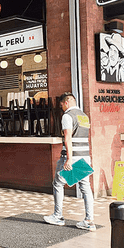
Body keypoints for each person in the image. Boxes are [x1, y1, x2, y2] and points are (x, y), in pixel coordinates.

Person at [44, 92, 95, 231]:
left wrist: (69, 160)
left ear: (66, 102)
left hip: (73, 157)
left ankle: (58, 216)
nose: (62, 108)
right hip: (85, 156)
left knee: (58, 184)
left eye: (61, 105)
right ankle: (89, 221)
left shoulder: (67, 116)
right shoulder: (84, 116)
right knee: (85, 188)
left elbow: (68, 138)